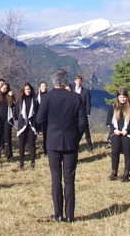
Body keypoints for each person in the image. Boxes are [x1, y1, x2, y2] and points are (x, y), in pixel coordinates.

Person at [36, 69, 87, 223]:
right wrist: (75, 137)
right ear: (66, 82)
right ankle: (70, 215)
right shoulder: (76, 98)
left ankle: (58, 214)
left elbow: (39, 120)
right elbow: (83, 123)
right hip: (71, 142)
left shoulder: (47, 98)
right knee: (70, 179)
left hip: (53, 142)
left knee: (56, 178)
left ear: (54, 82)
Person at [106, 88, 130, 182]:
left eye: (124, 97)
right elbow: (109, 120)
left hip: (127, 133)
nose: (122, 99)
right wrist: (115, 130)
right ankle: (114, 172)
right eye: (120, 97)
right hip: (116, 132)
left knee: (127, 153)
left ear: (127, 97)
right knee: (115, 152)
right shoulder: (113, 106)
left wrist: (127, 130)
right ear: (118, 97)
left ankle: (126, 173)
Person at [16, 82, 39, 168]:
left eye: (29, 89)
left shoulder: (34, 99)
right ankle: (21, 163)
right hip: (22, 124)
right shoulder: (20, 100)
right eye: (26, 89)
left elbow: (37, 111)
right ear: (23, 90)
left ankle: (33, 163)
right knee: (21, 144)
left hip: (31, 124)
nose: (27, 91)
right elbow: (17, 113)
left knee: (32, 144)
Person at [0, 82, 15, 160]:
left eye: (6, 88)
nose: (4, 89)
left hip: (7, 119)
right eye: (3, 88)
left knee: (7, 136)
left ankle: (8, 154)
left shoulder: (9, 96)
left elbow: (15, 105)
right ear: (0, 88)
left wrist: (12, 96)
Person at [73, 75, 93, 153]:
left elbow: (88, 103)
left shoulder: (85, 91)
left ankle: (90, 148)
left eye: (80, 80)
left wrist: (88, 113)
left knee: (86, 131)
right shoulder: (72, 91)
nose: (79, 82)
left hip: (83, 114)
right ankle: (76, 147)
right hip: (74, 114)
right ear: (75, 81)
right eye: (77, 80)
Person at [37, 81, 48, 155]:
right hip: (38, 117)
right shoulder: (36, 96)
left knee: (46, 134)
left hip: (47, 118)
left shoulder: (48, 95)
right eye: (42, 86)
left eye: (45, 86)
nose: (44, 87)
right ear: (40, 87)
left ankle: (46, 150)